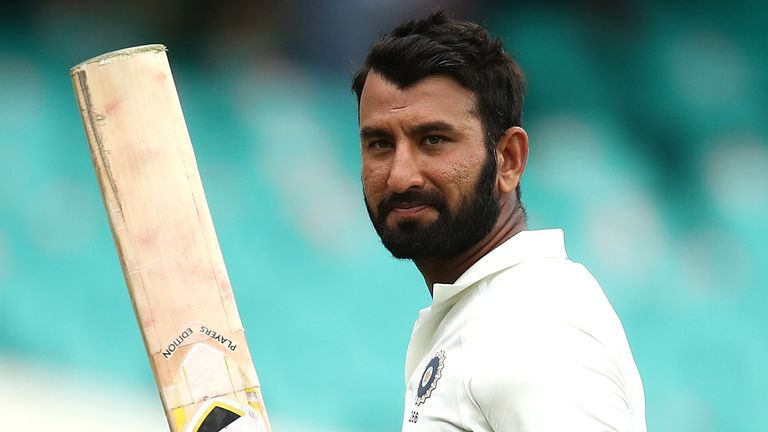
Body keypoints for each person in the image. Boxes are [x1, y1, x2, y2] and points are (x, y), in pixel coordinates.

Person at [351, 11, 647, 432]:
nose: (400, 176)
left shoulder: (532, 325)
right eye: (380, 144)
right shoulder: (493, 312)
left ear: (508, 159)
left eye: (433, 140)